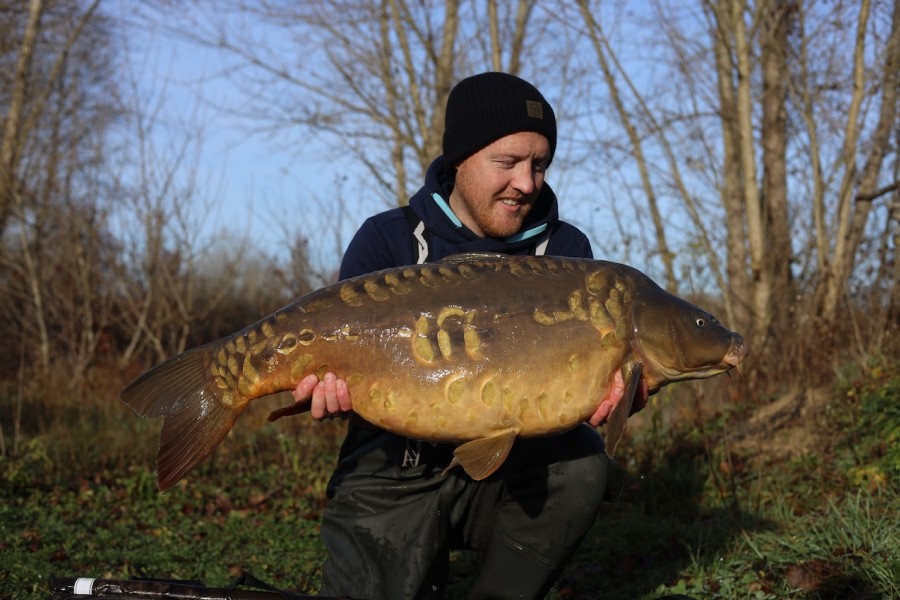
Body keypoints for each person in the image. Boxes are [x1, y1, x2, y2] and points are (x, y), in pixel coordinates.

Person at [292, 72, 645, 600]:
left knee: (582, 464)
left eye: (539, 164)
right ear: (460, 159)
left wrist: (620, 397)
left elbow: (587, 384)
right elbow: (340, 361)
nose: (527, 182)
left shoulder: (567, 254)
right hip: (392, 469)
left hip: (507, 474)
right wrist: (332, 391)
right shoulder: (387, 239)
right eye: (507, 163)